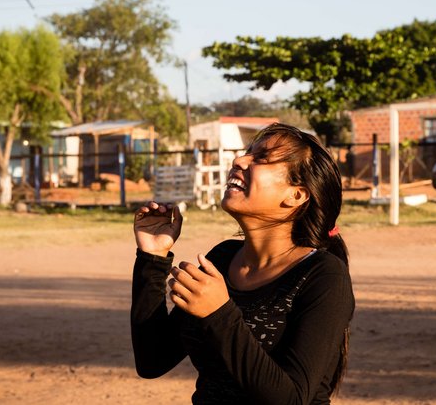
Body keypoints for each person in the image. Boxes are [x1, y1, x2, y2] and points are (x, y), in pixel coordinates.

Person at [130, 123, 354, 404]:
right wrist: (152, 258)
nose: (239, 160)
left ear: (295, 195)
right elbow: (152, 360)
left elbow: (293, 399)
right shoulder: (222, 259)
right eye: (247, 152)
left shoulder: (323, 276)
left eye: (261, 158)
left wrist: (219, 313)